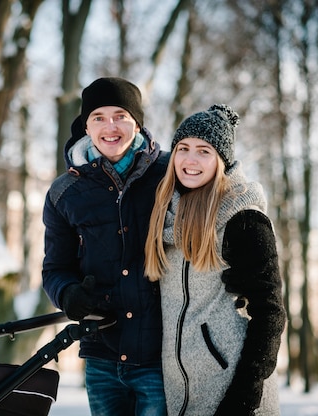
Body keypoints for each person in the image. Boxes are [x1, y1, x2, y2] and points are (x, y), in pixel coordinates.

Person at [145, 104, 286, 415]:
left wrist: (245, 395)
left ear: (222, 161)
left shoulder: (243, 219)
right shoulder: (163, 216)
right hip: (181, 396)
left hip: (233, 395)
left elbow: (271, 314)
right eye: (183, 148)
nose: (190, 160)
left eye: (204, 151)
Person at [42, 77, 169, 415]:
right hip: (101, 354)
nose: (109, 127)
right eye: (98, 117)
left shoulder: (170, 175)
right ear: (85, 125)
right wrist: (68, 293)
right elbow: (55, 269)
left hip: (160, 354)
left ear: (136, 123)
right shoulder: (64, 192)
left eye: (120, 116)